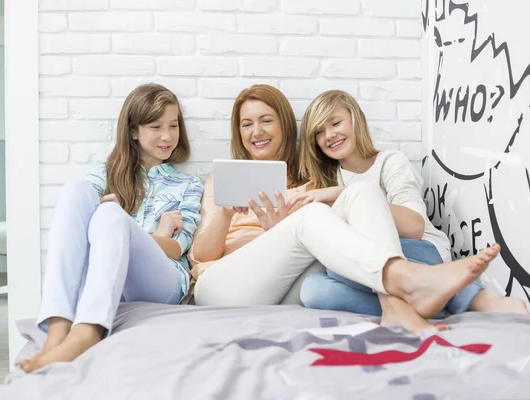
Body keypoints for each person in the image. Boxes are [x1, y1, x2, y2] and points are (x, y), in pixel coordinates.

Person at [189, 85, 501, 332]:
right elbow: (202, 255)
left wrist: (278, 227)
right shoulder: (222, 178)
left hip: (286, 289)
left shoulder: (311, 182)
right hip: (225, 286)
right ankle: (411, 280)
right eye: (247, 124)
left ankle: (395, 305)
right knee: (315, 216)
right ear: (239, 133)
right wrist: (225, 214)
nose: (256, 131)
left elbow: (330, 253)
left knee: (359, 194)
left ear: (284, 125)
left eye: (266, 120)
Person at [293, 89, 528, 323]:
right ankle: (427, 305)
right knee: (313, 290)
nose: (330, 135)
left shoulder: (389, 162)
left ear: (357, 119)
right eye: (319, 132)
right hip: (376, 268)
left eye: (335, 123)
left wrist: (344, 195)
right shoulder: (324, 182)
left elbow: (415, 226)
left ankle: (473, 298)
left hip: (421, 250)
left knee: (342, 265)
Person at [18, 83, 204, 373]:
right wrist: (156, 231)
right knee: (77, 191)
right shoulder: (102, 174)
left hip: (163, 283)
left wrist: (125, 224)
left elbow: (178, 247)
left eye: (173, 125)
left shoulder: (188, 185)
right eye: (156, 126)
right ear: (133, 131)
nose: (167, 136)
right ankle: (58, 324)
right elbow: (80, 228)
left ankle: (88, 332)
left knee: (111, 214)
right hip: (113, 279)